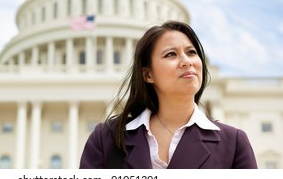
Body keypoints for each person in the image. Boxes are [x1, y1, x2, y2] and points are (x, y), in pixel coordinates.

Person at [79, 20, 258, 169]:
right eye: (171, 54)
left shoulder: (233, 143)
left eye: (191, 52)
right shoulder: (107, 139)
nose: (186, 62)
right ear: (148, 74)